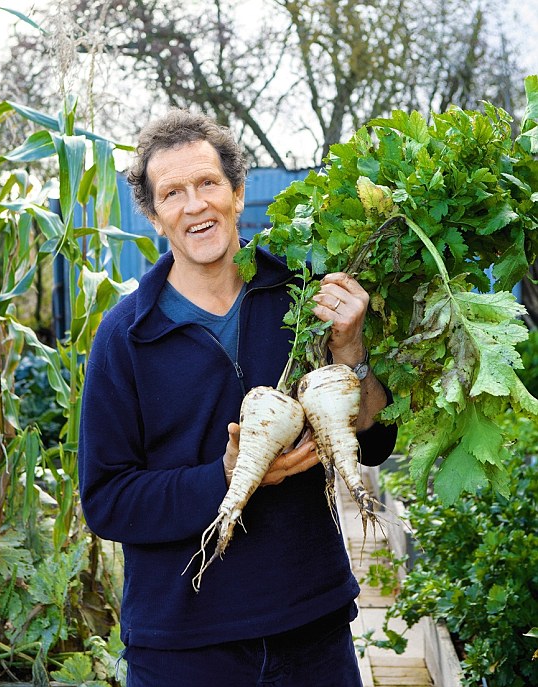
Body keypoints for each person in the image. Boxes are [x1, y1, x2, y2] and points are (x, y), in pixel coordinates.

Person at [78, 109, 397, 687]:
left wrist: (351, 352)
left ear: (237, 191)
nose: (195, 205)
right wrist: (227, 477)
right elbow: (106, 500)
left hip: (312, 629)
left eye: (207, 183)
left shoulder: (304, 295)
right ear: (154, 217)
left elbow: (373, 443)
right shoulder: (125, 337)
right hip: (184, 647)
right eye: (172, 193)